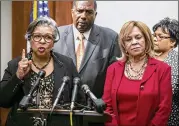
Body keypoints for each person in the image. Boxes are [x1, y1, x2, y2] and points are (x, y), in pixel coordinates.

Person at [0, 17, 79, 126]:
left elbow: (79, 100)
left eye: (48, 37)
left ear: (53, 42)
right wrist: (18, 76)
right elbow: (3, 101)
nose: (42, 41)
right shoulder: (15, 65)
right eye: (37, 36)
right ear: (29, 38)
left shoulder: (67, 64)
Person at [102, 21, 172, 126]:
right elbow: (107, 106)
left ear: (146, 40)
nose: (134, 42)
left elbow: (164, 108)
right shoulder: (113, 69)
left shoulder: (163, 69)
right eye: (128, 39)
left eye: (138, 37)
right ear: (123, 45)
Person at [53, 1, 121, 101]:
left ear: (95, 14)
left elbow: (115, 78)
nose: (83, 16)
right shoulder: (56, 35)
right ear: (72, 12)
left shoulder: (110, 38)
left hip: (95, 107)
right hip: (61, 106)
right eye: (79, 11)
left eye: (89, 12)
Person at [152, 17, 179, 126]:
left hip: (168, 120)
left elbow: (167, 92)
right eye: (154, 35)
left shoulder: (175, 63)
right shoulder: (146, 59)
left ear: (172, 42)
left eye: (160, 37)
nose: (154, 39)